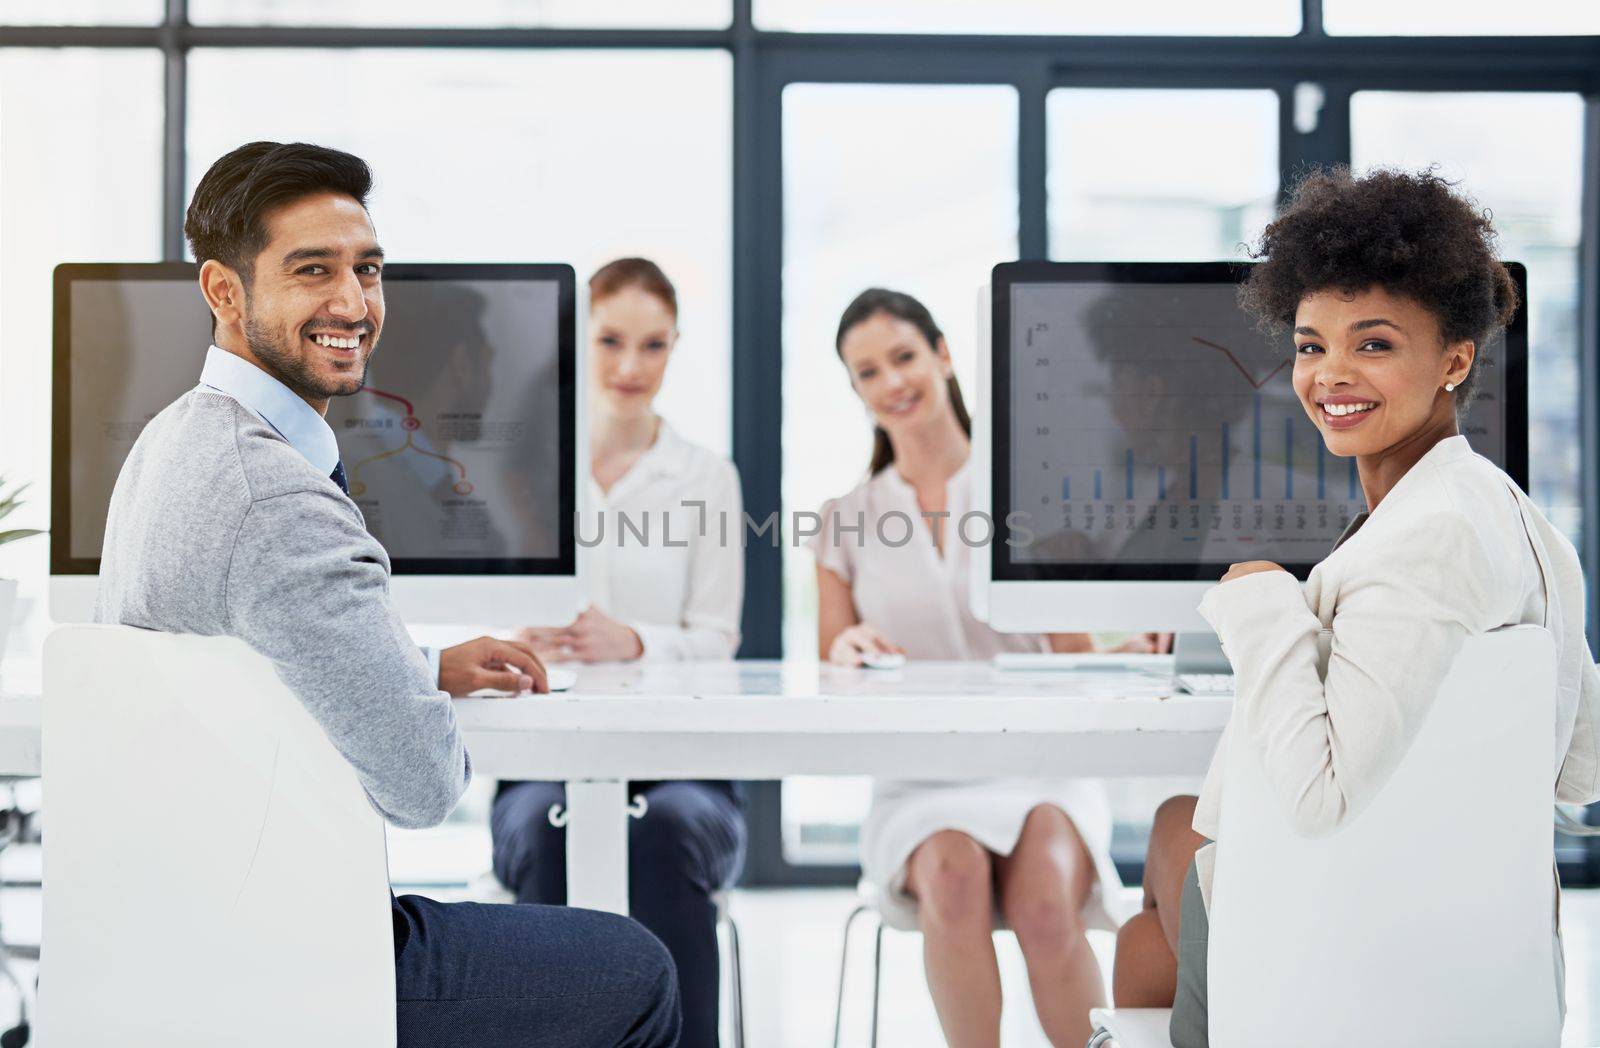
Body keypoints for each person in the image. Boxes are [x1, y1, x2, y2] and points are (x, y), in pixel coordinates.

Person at [95, 141, 681, 1048]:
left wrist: (416, 666)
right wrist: (406, 696)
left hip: (182, 935)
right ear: (223, 291)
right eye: (312, 271)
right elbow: (419, 784)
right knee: (635, 969)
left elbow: (243, 660)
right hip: (294, 958)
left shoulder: (173, 439)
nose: (353, 303)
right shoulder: (276, 495)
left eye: (367, 269)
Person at [1112, 167, 1600, 1046]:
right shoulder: (1522, 524)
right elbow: (1582, 771)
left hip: (1332, 959)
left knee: (1157, 903)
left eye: (1373, 344)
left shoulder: (1430, 535)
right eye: (1309, 346)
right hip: (1484, 961)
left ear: (1456, 358)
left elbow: (1321, 790)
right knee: (1167, 855)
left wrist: (1260, 599)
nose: (1329, 374)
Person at [809, 288, 1139, 1048]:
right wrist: (848, 650)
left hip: (1037, 762)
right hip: (919, 775)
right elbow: (831, 657)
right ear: (854, 390)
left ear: (943, 355)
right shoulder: (843, 519)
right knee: (952, 879)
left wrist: (1131, 653)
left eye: (903, 357)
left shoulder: (1029, 492)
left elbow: (1070, 655)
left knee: (1047, 900)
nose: (892, 382)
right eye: (867, 372)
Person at [494, 258, 746, 1048]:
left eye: (653, 345)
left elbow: (718, 639)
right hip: (543, 759)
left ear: (675, 349)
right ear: (576, 340)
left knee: (666, 830)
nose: (631, 367)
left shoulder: (706, 477)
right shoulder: (518, 470)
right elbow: (471, 620)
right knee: (547, 829)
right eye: (609, 341)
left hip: (684, 764)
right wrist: (514, 638)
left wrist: (634, 641)